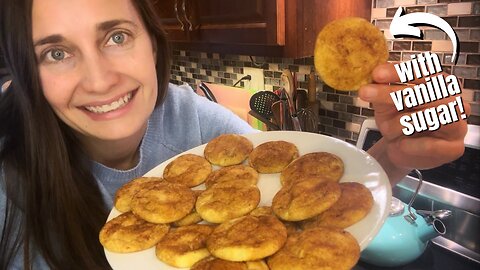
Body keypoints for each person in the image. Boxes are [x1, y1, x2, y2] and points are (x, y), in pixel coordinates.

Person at [0, 0, 469, 269]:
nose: (100, 80)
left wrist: (392, 157)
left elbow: (297, 200)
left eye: (117, 36)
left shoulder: (197, 125)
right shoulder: (9, 190)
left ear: (152, 39)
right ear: (25, 71)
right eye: (56, 53)